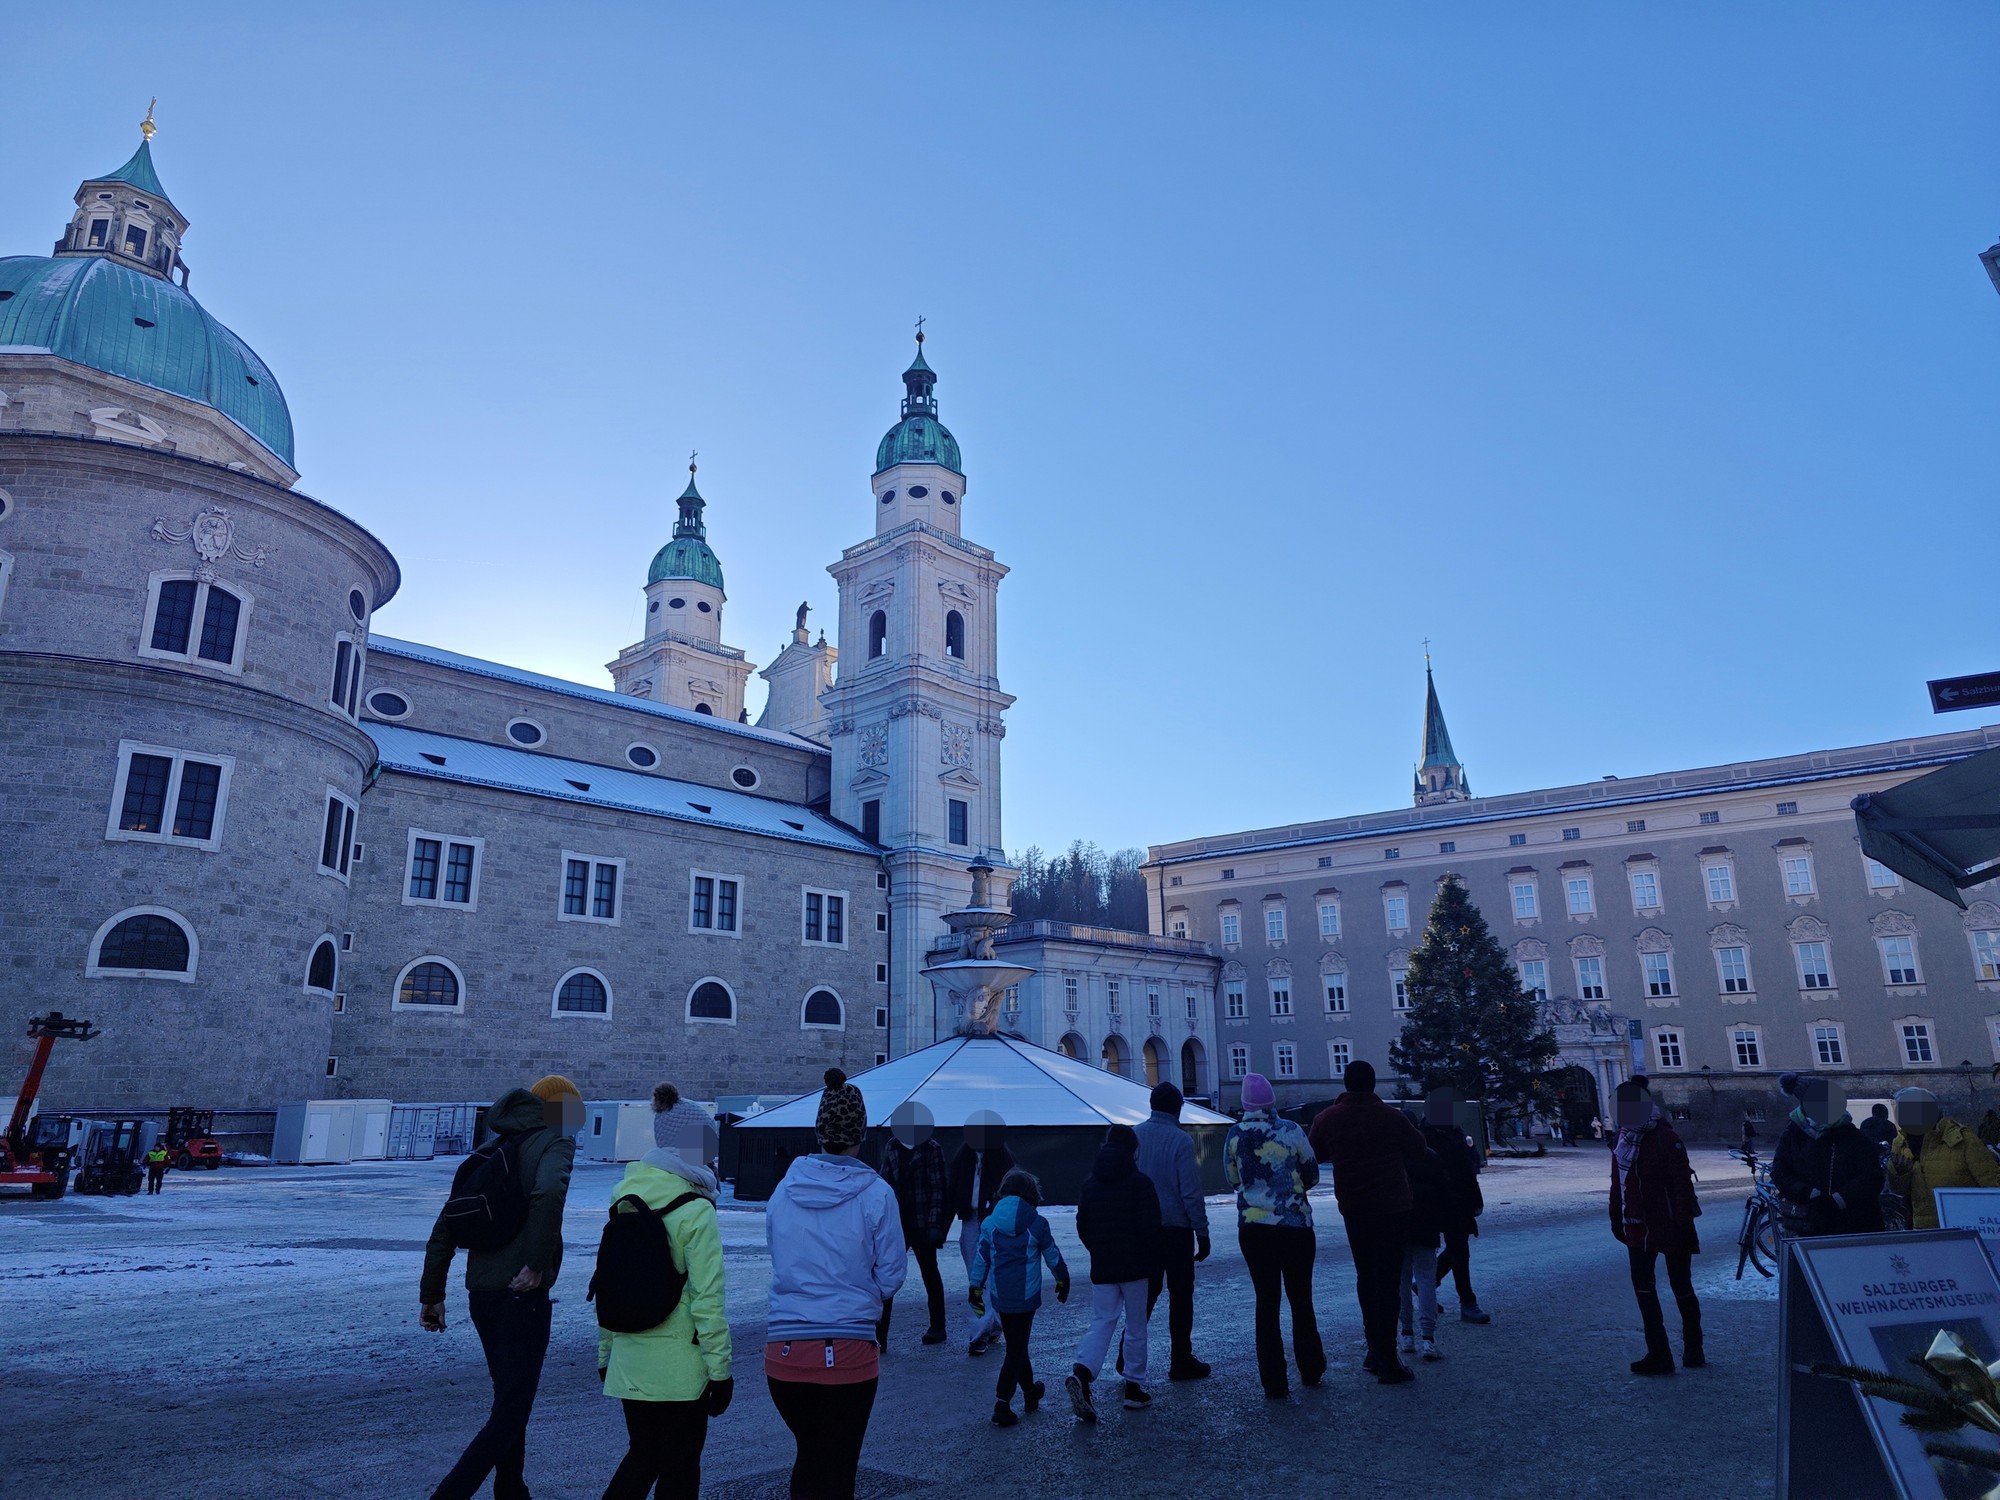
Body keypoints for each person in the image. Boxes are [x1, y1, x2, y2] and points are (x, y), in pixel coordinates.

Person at [421, 1076, 580, 1500]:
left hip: (482, 1296)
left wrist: (433, 1295)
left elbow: (445, 1225)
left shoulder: (488, 1151)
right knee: (511, 1411)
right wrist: (536, 1263)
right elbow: (549, 1193)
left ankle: (511, 1489)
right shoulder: (555, 1142)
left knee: (509, 1400)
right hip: (521, 1295)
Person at [764, 1069, 905, 1500]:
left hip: (784, 1351)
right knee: (839, 1467)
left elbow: (780, 1257)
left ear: (819, 1131)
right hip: (847, 1349)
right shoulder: (877, 1193)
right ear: (861, 1133)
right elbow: (892, 1275)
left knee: (809, 1457)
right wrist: (863, 1291)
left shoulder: (783, 1192)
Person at [597, 1115, 732, 1500]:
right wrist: (720, 1371)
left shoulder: (624, 1198)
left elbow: (608, 1283)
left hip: (629, 1359)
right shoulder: (697, 1209)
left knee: (642, 1455)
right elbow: (707, 1299)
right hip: (681, 1369)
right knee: (680, 1468)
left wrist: (606, 1353)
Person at [1307, 1060, 1427, 1385]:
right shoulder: (1392, 1116)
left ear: (1345, 1085)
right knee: (1388, 1282)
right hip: (1392, 1207)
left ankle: (1374, 1349)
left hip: (1354, 1209)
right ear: (1373, 1085)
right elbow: (1418, 1149)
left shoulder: (1328, 1118)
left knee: (1366, 1277)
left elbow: (1311, 1156)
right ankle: (1387, 1358)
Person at [1223, 1072, 1326, 1399]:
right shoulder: (1292, 1130)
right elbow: (1312, 1174)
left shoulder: (1235, 1134)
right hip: (1295, 1227)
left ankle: (1273, 1381)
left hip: (1254, 1229)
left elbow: (1232, 1178)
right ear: (1272, 1101)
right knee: (1301, 1299)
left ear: (1245, 1104)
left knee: (1266, 1303)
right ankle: (1311, 1368)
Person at [1066, 1123, 1162, 1421]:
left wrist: (1098, 1249)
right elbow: (1151, 1228)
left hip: (1103, 1264)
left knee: (1102, 1321)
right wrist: (1153, 1257)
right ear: (1133, 1150)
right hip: (1136, 1267)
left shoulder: (1090, 1184)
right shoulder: (1141, 1184)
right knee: (1136, 1326)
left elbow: (1083, 1224)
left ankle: (1083, 1372)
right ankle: (1134, 1387)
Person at [1608, 1077, 1703, 1375]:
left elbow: (1682, 1185)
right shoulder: (1623, 1139)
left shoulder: (1665, 1137)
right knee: (1644, 1290)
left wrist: (1683, 1223)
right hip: (1637, 1225)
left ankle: (1694, 1348)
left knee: (1681, 1287)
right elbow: (1618, 1183)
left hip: (1670, 1224)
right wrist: (1616, 1217)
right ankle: (1659, 1353)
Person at [968, 1168, 1070, 1427]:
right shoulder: (1037, 1223)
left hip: (1001, 1296)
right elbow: (1052, 1255)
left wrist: (975, 1288)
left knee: (1017, 1344)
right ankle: (1002, 1403)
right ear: (1031, 1194)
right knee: (1016, 1348)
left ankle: (1030, 1392)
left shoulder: (990, 1224)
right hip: (1026, 1298)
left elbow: (981, 1259)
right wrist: (1062, 1279)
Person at [1131, 1081, 1212, 1381]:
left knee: (1144, 1296)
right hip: (1177, 1230)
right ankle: (1180, 1359)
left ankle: (1127, 1357)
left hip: (1144, 1230)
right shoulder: (1181, 1141)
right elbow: (1190, 1191)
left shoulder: (1135, 1135)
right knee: (1181, 1296)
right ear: (1178, 1108)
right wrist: (1201, 1232)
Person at [1770, 1073, 1884, 1237]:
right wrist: (1808, 1193)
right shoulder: (1793, 1134)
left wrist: (1840, 1199)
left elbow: (1872, 1175)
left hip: (1856, 1224)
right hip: (1809, 1225)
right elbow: (1780, 1171)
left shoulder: (1852, 1134)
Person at [877, 1101, 953, 1347]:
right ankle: (880, 1334)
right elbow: (884, 1184)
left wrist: (935, 1225)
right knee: (888, 1274)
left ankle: (938, 1326)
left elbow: (938, 1189)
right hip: (897, 1223)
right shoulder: (892, 1147)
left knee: (929, 1272)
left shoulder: (931, 1149)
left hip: (921, 1222)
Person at [1422, 1089, 1490, 1324]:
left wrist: (1475, 1200)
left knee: (1459, 1249)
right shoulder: (1424, 1136)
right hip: (1436, 1202)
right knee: (1447, 1251)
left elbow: (1469, 1169)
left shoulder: (1456, 1132)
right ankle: (1462, 1301)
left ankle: (1461, 1300)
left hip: (1459, 1201)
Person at [1887, 1087, 2000, 1229]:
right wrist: (1900, 1173)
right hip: (1923, 1228)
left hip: (1965, 1227)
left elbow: (1993, 1185)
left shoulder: (1963, 1140)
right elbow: (1898, 1191)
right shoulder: (1900, 1142)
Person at [948, 1112, 1014, 1355]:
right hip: (973, 1221)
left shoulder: (996, 1159)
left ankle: (980, 1334)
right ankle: (991, 1326)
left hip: (989, 1222)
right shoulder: (967, 1157)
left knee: (982, 1280)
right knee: (982, 1279)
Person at [1398, 1125, 1449, 1363]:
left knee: (1401, 1281)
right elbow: (1444, 1194)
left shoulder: (1393, 1158)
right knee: (1426, 1280)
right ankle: (1428, 1339)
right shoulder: (1431, 1157)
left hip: (1399, 1225)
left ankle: (1406, 1335)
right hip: (1426, 1225)